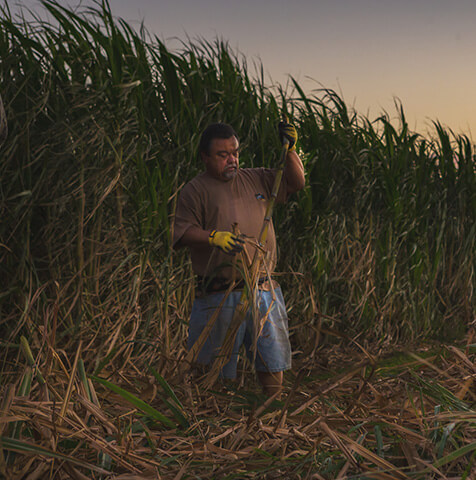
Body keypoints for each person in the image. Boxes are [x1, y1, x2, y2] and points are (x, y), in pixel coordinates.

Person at [173, 122, 305, 395]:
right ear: (205, 157)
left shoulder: (256, 178)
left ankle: (271, 423)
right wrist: (212, 237)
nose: (231, 159)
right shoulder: (194, 191)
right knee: (212, 376)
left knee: (272, 367)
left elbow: (296, 182)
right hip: (219, 296)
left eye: (234, 152)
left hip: (263, 290)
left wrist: (290, 149)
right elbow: (181, 232)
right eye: (223, 155)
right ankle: (214, 429)